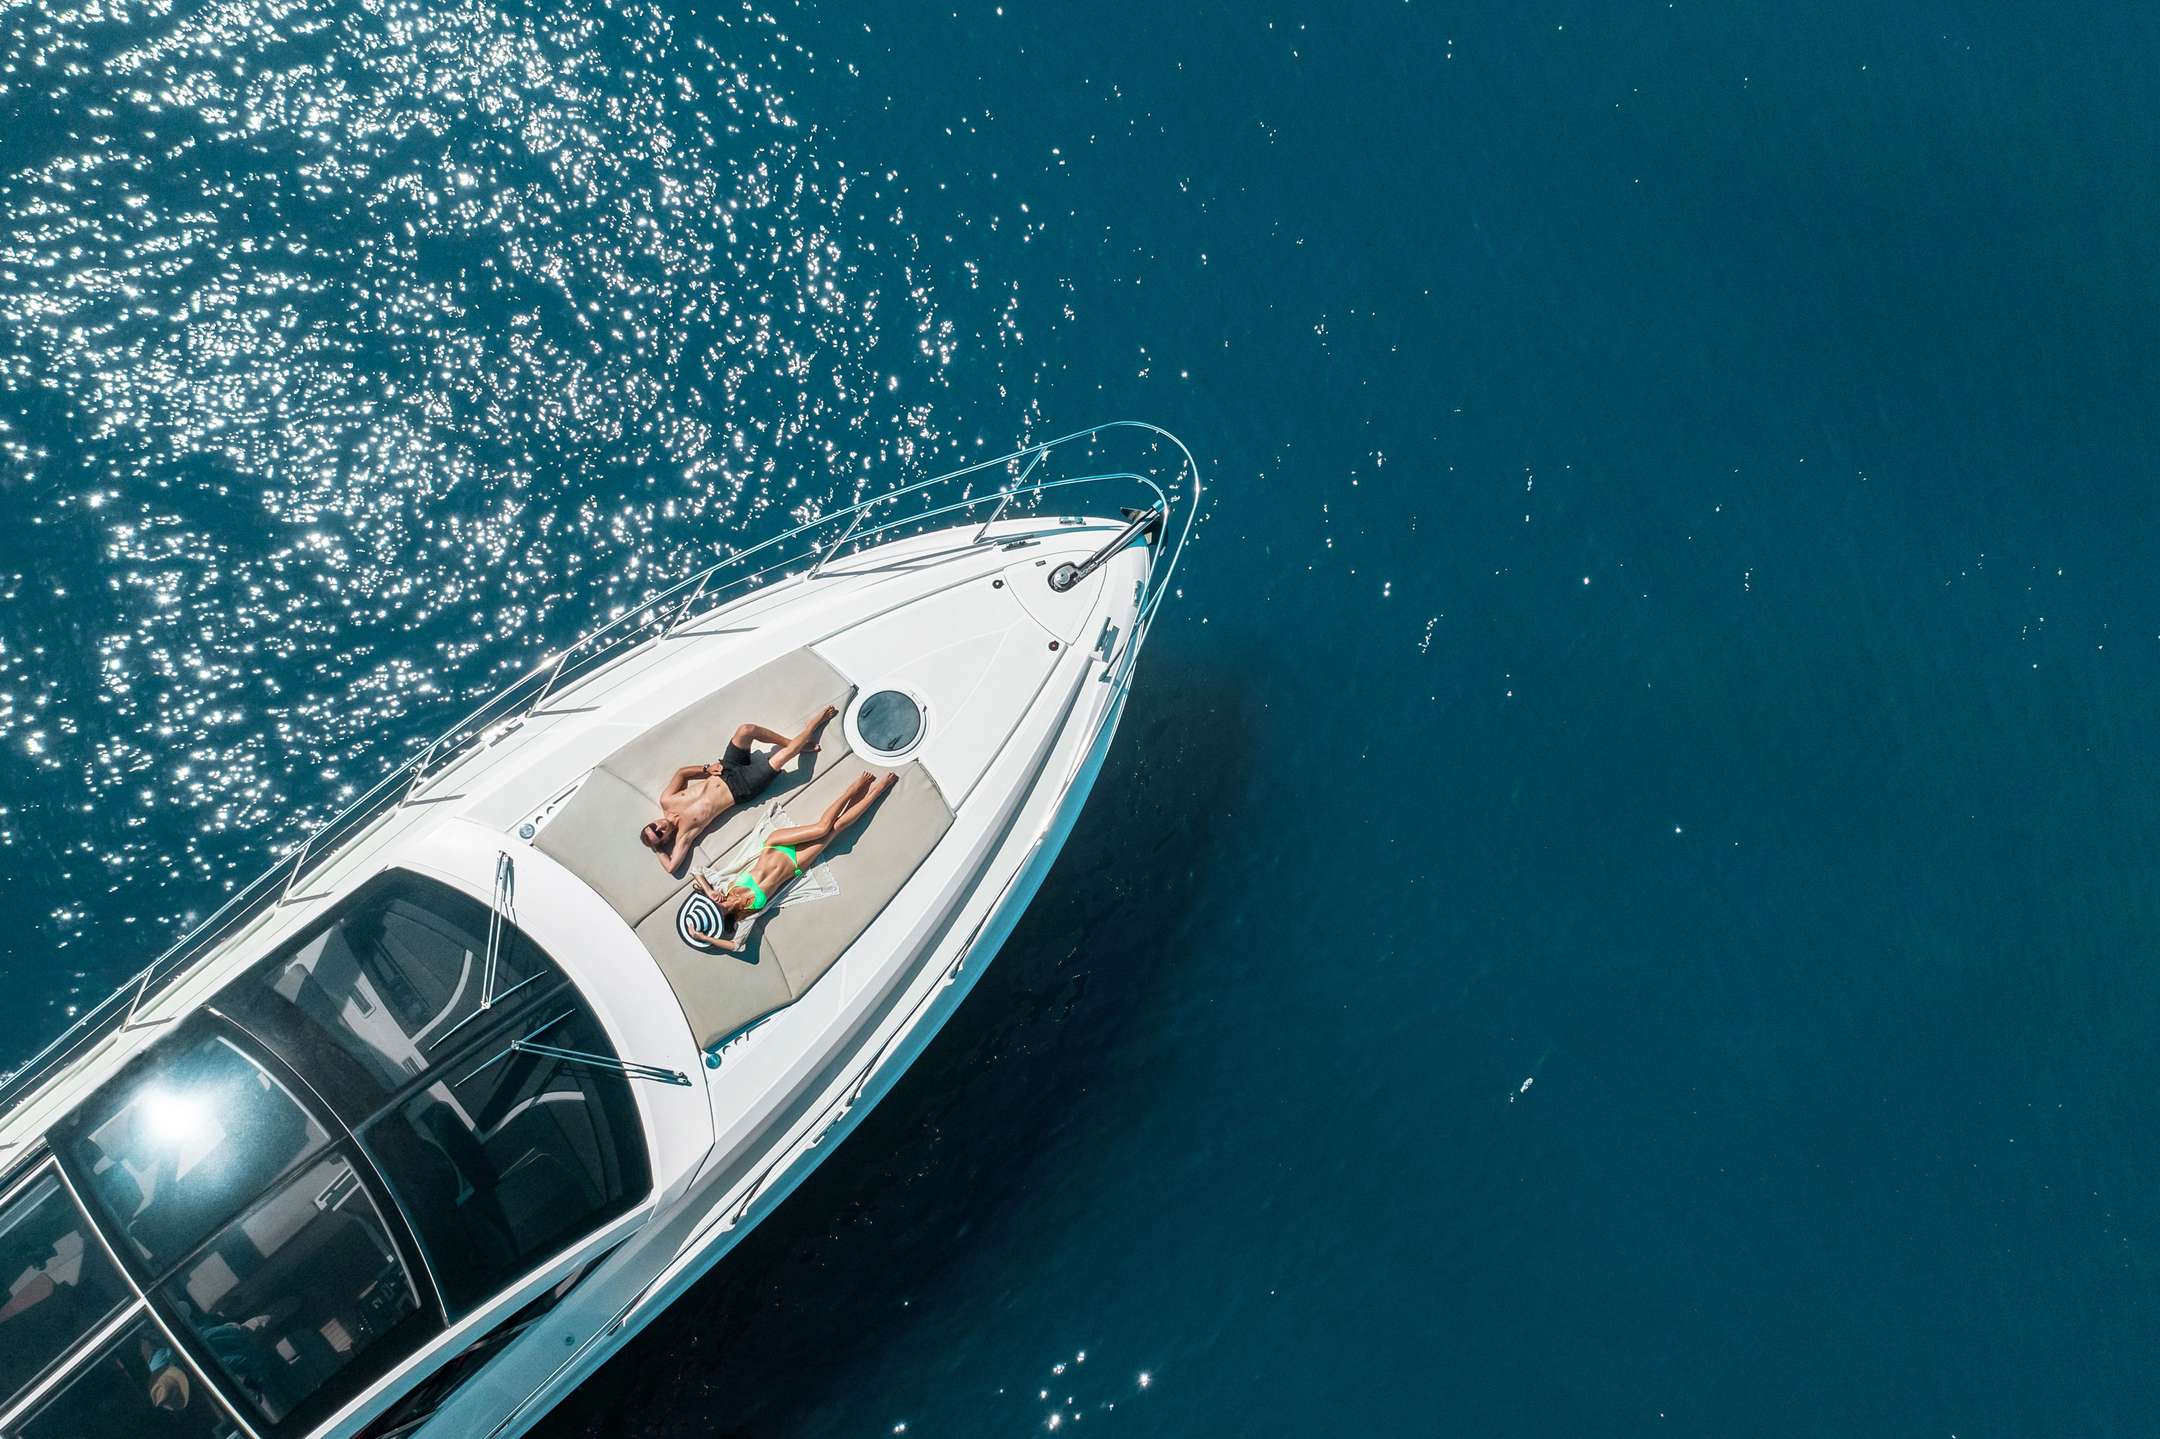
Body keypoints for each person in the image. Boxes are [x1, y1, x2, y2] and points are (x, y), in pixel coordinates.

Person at [687, 771, 897, 952]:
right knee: (837, 828)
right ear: (720, 919)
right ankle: (878, 790)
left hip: (775, 846)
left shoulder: (723, 887)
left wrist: (708, 890)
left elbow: (696, 871)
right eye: (716, 910)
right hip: (795, 866)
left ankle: (853, 789)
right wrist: (704, 938)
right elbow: (736, 945)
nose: (717, 905)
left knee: (822, 827)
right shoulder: (745, 916)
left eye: (712, 904)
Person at [639, 704, 839, 873]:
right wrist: (657, 849)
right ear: (665, 840)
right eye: (659, 834)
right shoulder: (684, 834)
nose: (659, 827)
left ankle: (792, 742)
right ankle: (812, 725)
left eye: (653, 826)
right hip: (743, 787)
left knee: (746, 729)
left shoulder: (667, 800)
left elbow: (681, 773)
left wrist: (706, 769)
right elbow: (671, 867)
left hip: (726, 768)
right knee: (785, 756)